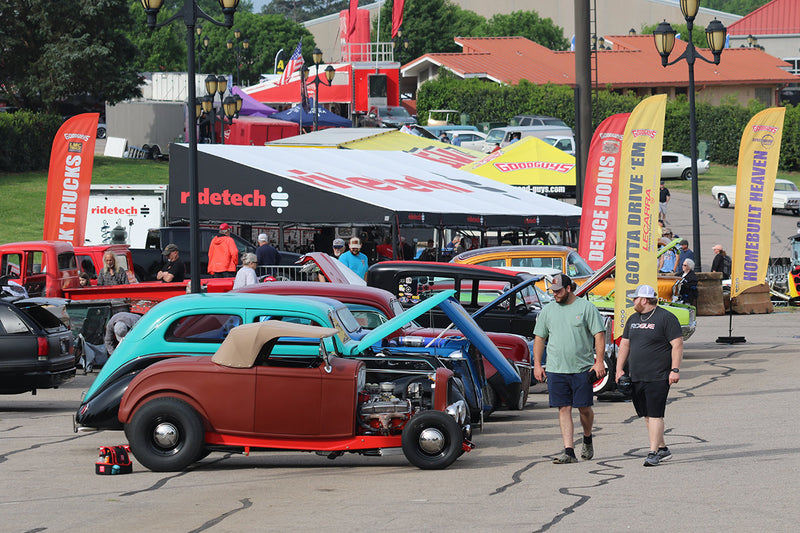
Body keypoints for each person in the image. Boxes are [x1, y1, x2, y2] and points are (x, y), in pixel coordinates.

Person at [533, 274, 606, 464]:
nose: (555, 294)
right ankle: (569, 451)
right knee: (563, 408)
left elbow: (599, 334)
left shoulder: (586, 308)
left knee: (584, 408)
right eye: (553, 291)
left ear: (568, 289)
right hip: (557, 368)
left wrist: (599, 362)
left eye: (558, 291)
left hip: (582, 368)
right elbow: (539, 338)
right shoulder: (548, 311)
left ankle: (587, 438)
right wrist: (538, 365)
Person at [615, 284, 683, 467]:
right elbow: (625, 345)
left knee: (655, 414)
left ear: (644, 300)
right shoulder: (633, 319)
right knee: (646, 414)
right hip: (636, 375)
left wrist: (675, 369)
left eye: (635, 299)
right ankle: (662, 448)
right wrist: (619, 369)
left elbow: (677, 345)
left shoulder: (666, 318)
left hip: (658, 375)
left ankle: (653, 452)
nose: (633, 301)